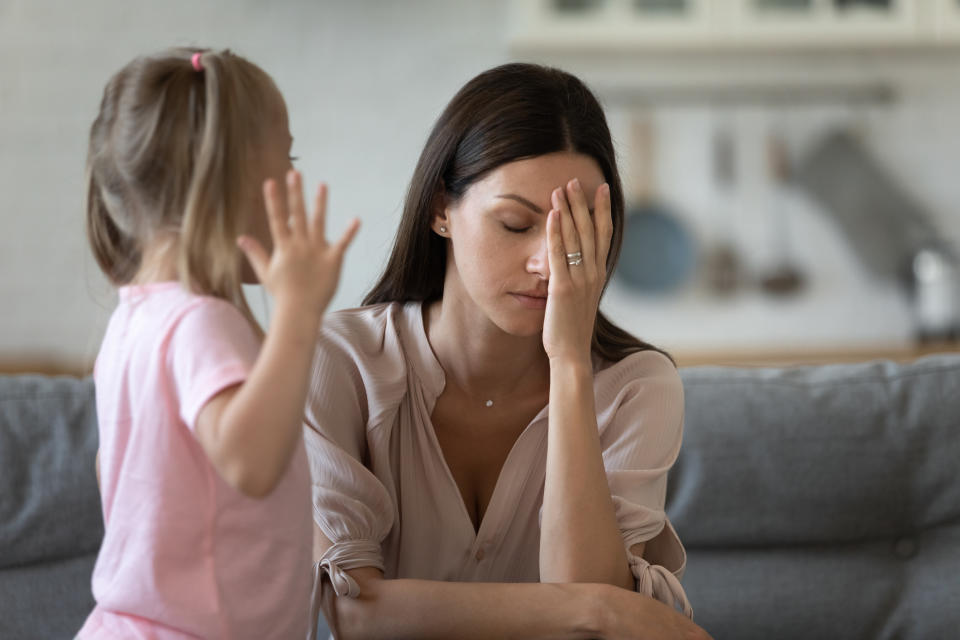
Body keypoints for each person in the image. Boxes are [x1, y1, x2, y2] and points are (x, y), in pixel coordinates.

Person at [304, 63, 710, 639]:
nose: (548, 264)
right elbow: (354, 614)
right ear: (440, 209)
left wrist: (569, 361)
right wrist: (597, 608)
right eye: (516, 224)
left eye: (575, 233)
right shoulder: (338, 361)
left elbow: (585, 610)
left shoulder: (638, 385)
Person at [77, 48, 359, 639]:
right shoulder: (202, 323)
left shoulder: (134, 321)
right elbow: (251, 463)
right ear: (227, 178)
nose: (294, 181)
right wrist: (299, 313)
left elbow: (116, 471)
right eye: (286, 159)